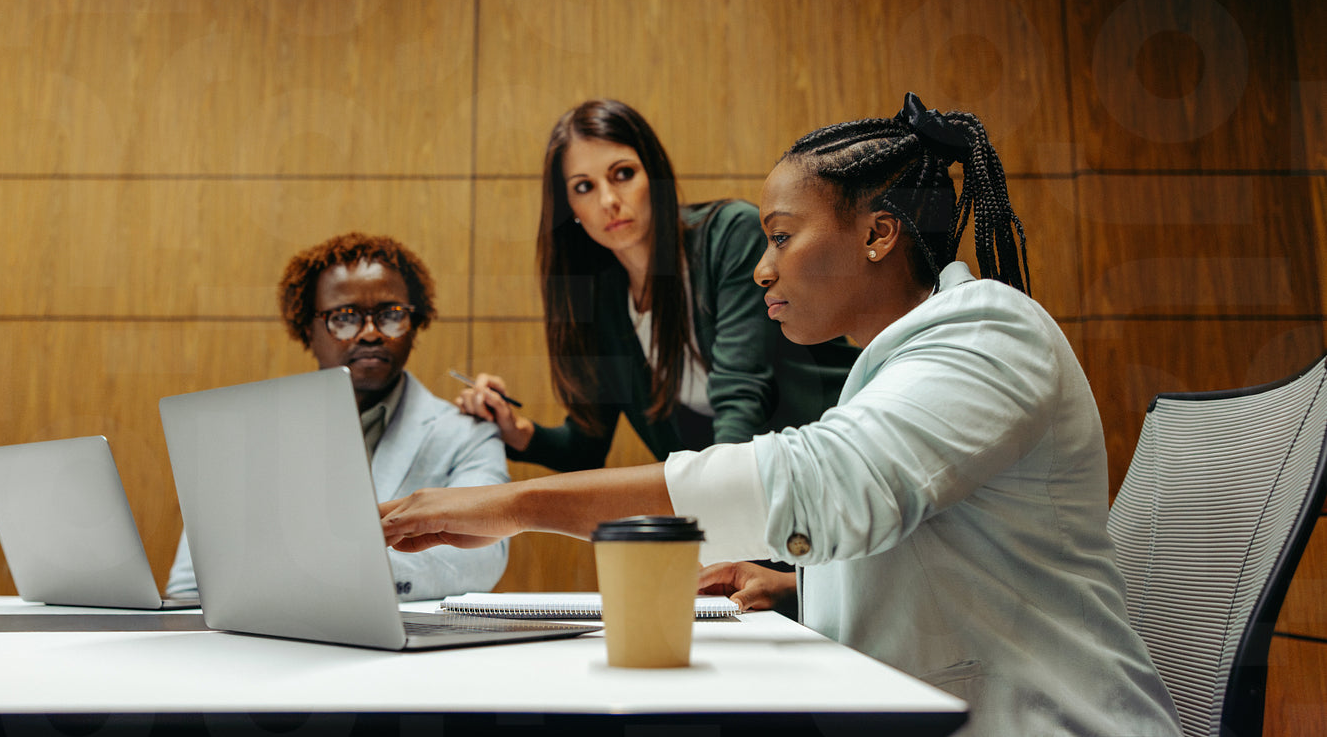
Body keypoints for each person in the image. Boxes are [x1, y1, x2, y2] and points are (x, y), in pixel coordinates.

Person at [381, 95, 1183, 737]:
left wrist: (516, 505)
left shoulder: (987, 333)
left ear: (878, 234)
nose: (762, 267)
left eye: (781, 236)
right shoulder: (895, 364)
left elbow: (819, 481)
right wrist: (803, 585)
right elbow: (932, 545)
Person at [455, 98, 859, 470]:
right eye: (584, 187)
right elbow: (585, 446)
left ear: (653, 173)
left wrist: (717, 504)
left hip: (841, 450)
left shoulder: (730, 236)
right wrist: (514, 429)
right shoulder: (604, 300)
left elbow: (741, 396)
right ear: (570, 208)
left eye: (623, 174)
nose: (608, 201)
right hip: (760, 485)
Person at [167, 233, 509, 601]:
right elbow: (190, 583)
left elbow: (483, 559)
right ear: (308, 329)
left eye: (391, 315)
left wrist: (322, 572)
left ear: (414, 324)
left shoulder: (468, 434)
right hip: (261, 634)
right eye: (345, 318)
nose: (371, 333)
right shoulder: (249, 436)